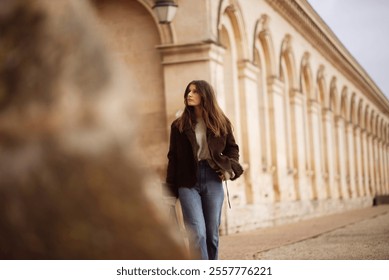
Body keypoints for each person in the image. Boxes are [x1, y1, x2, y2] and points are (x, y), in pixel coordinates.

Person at [165, 80, 243, 260]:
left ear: (205, 95)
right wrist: (169, 191)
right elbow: (173, 158)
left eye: (194, 92)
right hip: (187, 181)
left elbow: (233, 149)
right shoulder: (179, 125)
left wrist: (229, 170)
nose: (189, 95)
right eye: (188, 91)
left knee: (212, 236)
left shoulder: (221, 122)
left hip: (212, 178)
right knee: (197, 233)